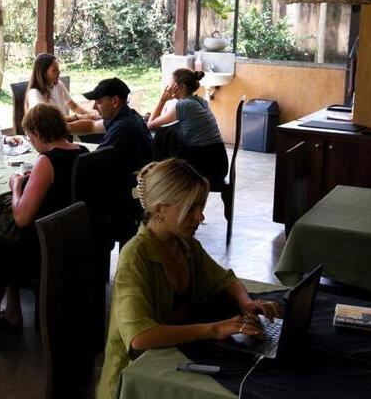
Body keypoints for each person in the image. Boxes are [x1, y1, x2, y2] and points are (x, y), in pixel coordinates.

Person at [96, 159, 281, 399]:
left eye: (201, 206)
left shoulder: (184, 244)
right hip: (135, 378)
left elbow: (224, 280)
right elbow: (140, 338)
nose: (200, 216)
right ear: (160, 209)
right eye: (191, 208)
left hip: (171, 359)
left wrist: (246, 303)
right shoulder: (135, 257)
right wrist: (214, 329)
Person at [0, 104, 89, 346]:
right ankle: (12, 312)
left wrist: (16, 187)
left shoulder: (47, 160)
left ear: (38, 132)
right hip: (68, 237)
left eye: (30, 137)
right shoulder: (81, 151)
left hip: (37, 247)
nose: (31, 142)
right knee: (9, 240)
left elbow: (21, 217)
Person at [84, 77, 152, 244]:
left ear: (115, 101)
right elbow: (93, 126)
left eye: (99, 102)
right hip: (136, 192)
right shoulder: (131, 116)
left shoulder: (122, 128)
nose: (94, 107)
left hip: (126, 203)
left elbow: (92, 163)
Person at [147, 68, 228, 187]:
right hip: (219, 164)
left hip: (207, 168)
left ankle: (158, 186)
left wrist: (163, 99)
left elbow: (150, 124)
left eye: (171, 84)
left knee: (162, 138)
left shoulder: (184, 105)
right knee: (169, 135)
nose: (168, 87)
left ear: (182, 87)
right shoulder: (200, 101)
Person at [25, 53, 98, 133]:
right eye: (54, 70)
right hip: (46, 134)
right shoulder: (34, 93)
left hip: (60, 128)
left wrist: (89, 115)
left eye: (58, 69)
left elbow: (73, 106)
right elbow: (48, 119)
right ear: (44, 74)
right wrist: (78, 117)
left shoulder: (58, 84)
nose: (59, 72)